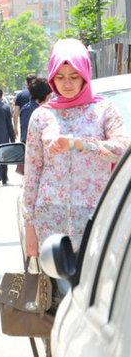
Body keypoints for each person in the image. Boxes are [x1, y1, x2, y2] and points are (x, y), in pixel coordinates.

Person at [23, 38, 129, 258]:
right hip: (50, 218)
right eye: (59, 77)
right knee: (57, 289)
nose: (67, 84)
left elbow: (122, 149)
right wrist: (29, 227)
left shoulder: (103, 110)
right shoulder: (41, 116)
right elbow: (32, 175)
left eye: (74, 76)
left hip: (96, 217)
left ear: (85, 75)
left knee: (95, 288)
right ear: (51, 78)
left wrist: (79, 144)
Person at [19, 78, 53, 144]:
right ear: (44, 94)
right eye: (50, 93)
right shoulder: (29, 110)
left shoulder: (45, 109)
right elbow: (26, 136)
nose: (51, 96)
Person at [13, 73, 36, 141]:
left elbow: (16, 113)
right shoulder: (40, 94)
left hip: (25, 125)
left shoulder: (20, 95)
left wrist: (15, 127)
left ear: (26, 83)